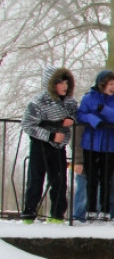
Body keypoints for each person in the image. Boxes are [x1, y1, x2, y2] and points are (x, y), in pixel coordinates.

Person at [20, 67, 77, 223]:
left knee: (60, 181)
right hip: (40, 145)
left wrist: (72, 119)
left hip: (59, 147)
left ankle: (58, 215)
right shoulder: (37, 102)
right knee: (36, 180)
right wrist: (50, 135)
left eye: (66, 82)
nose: (64, 86)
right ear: (51, 84)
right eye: (60, 82)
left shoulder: (70, 102)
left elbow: (76, 114)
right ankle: (29, 214)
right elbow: (27, 125)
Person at [76, 70, 114, 221]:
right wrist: (93, 119)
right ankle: (90, 209)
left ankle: (105, 210)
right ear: (102, 84)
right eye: (110, 84)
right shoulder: (88, 98)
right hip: (90, 143)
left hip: (109, 145)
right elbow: (80, 115)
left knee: (106, 179)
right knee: (91, 178)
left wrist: (103, 110)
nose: (113, 87)